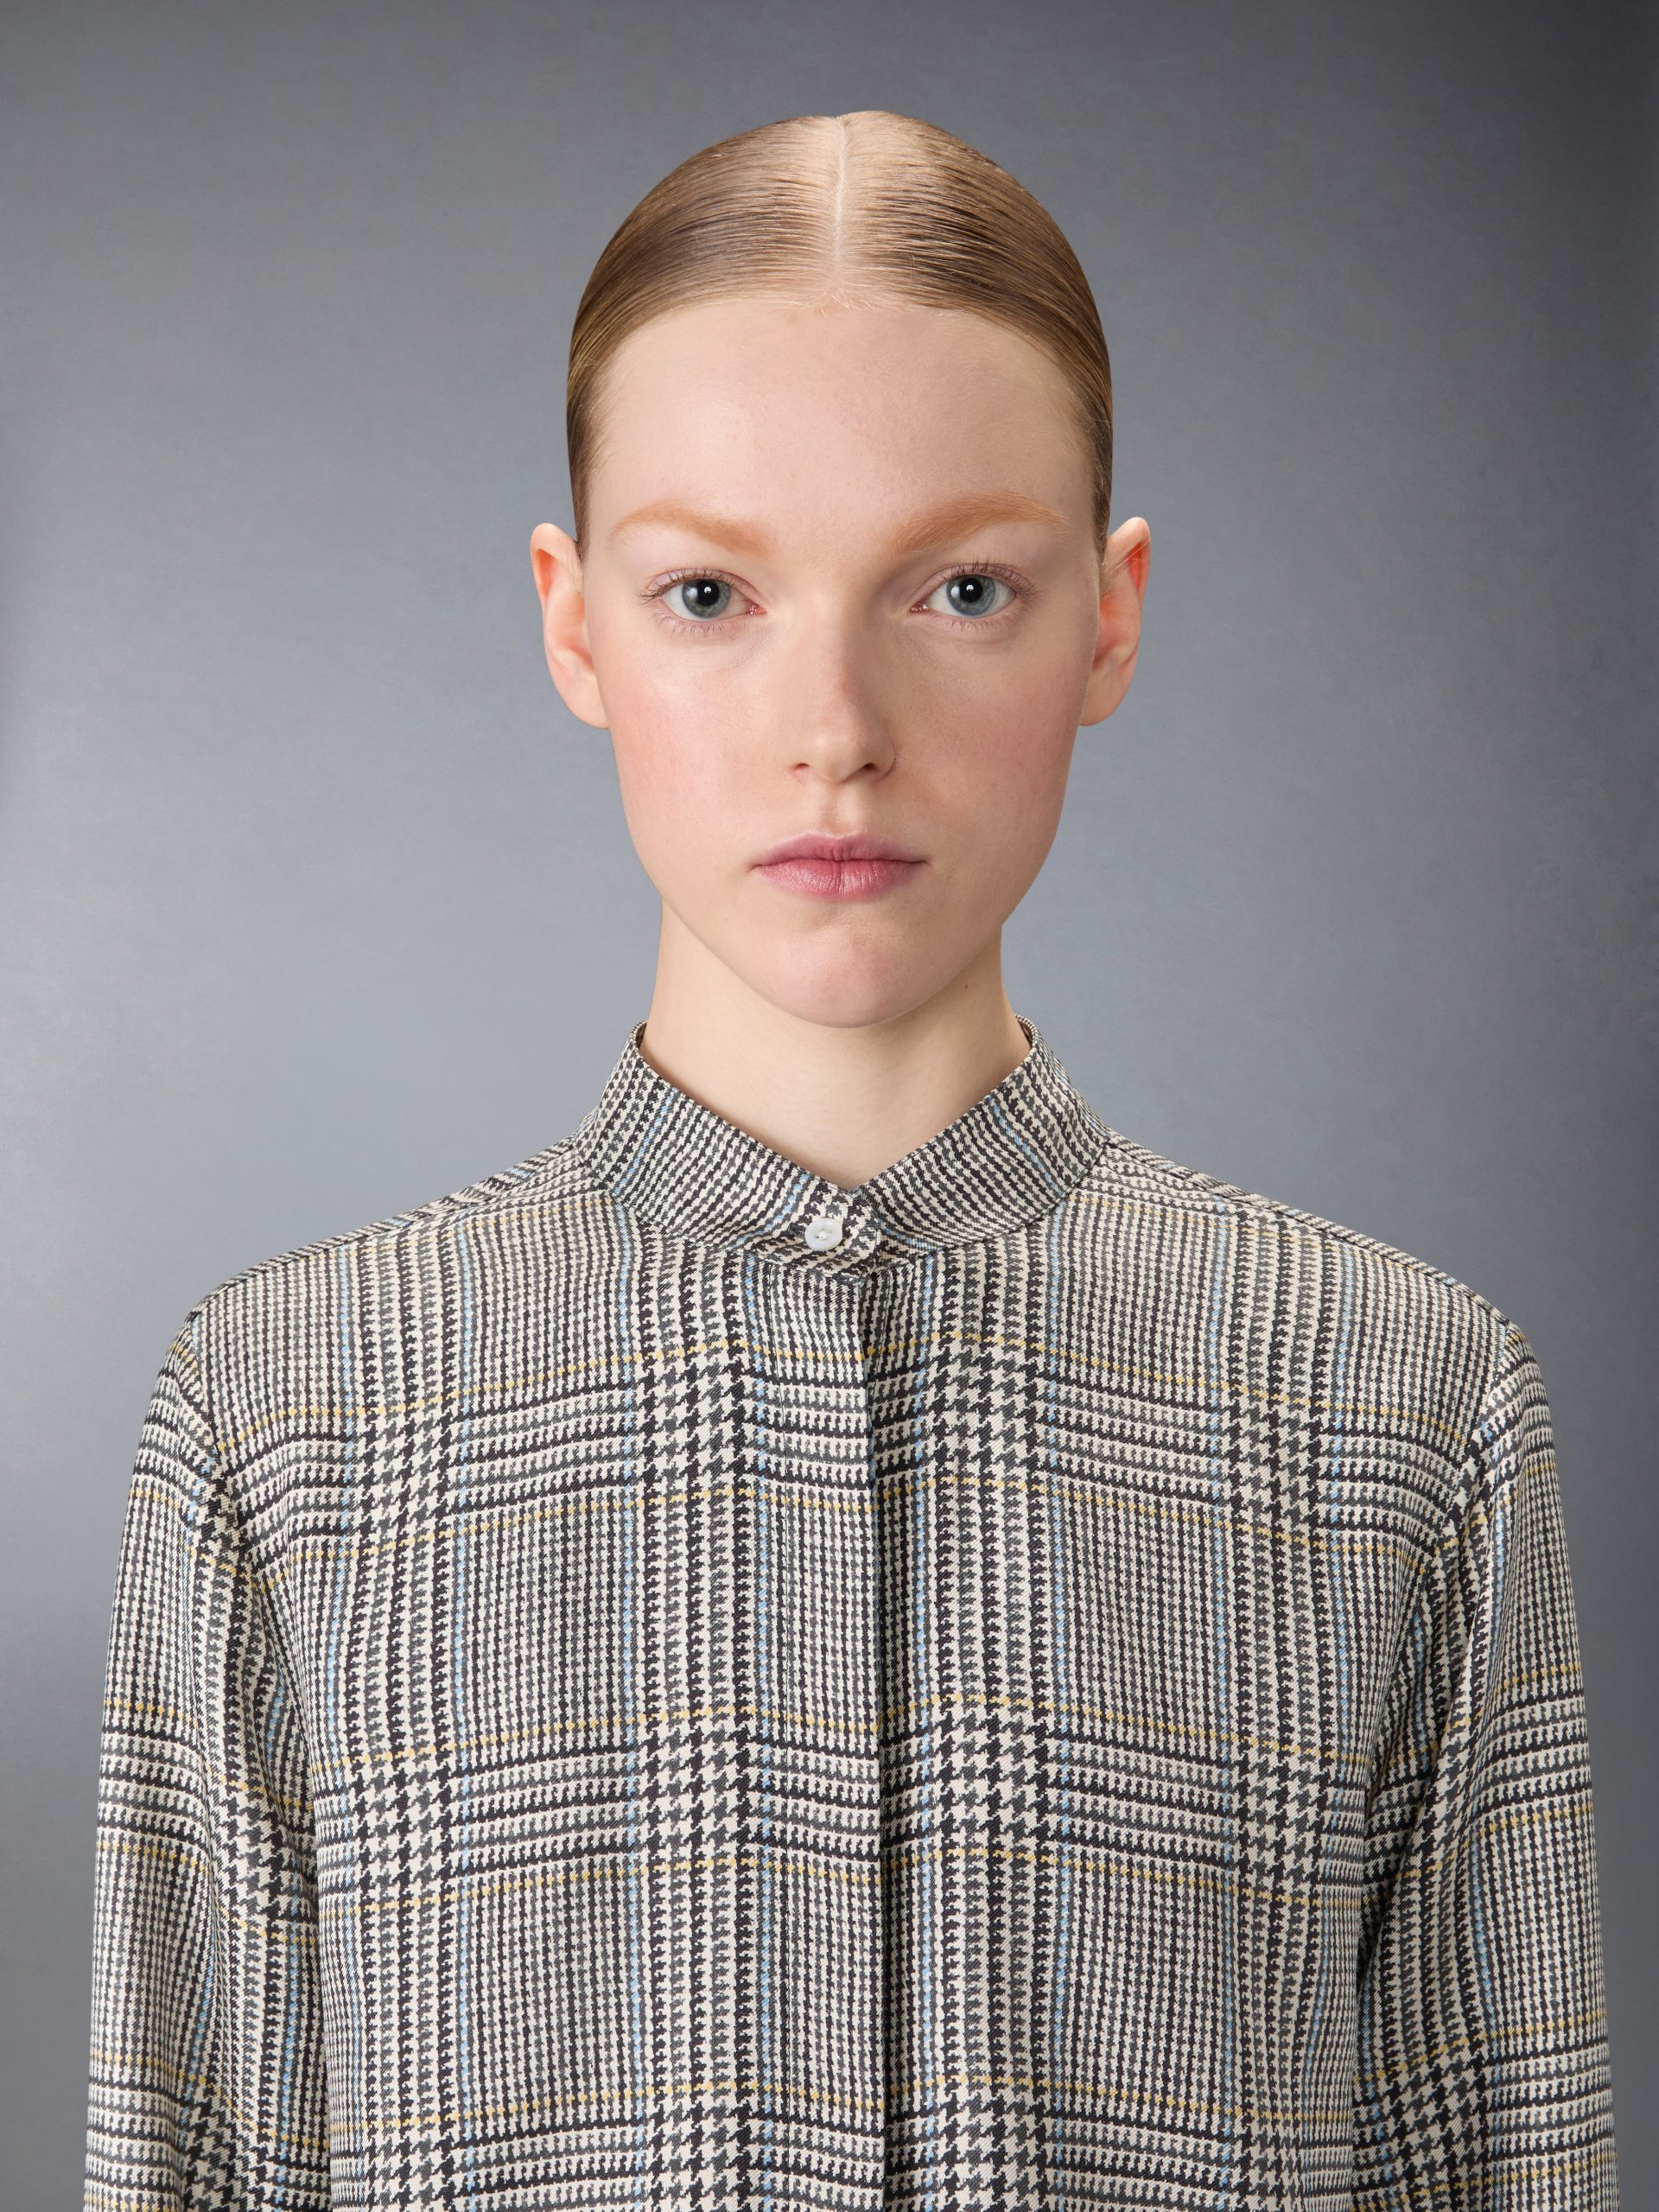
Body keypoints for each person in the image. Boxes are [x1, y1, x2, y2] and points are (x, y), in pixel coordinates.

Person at [84, 110, 1618, 2210]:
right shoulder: (288, 1426)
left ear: (1109, 617)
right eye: (710, 591)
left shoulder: (1405, 1414)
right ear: (574, 624)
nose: (836, 724)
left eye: (962, 587)